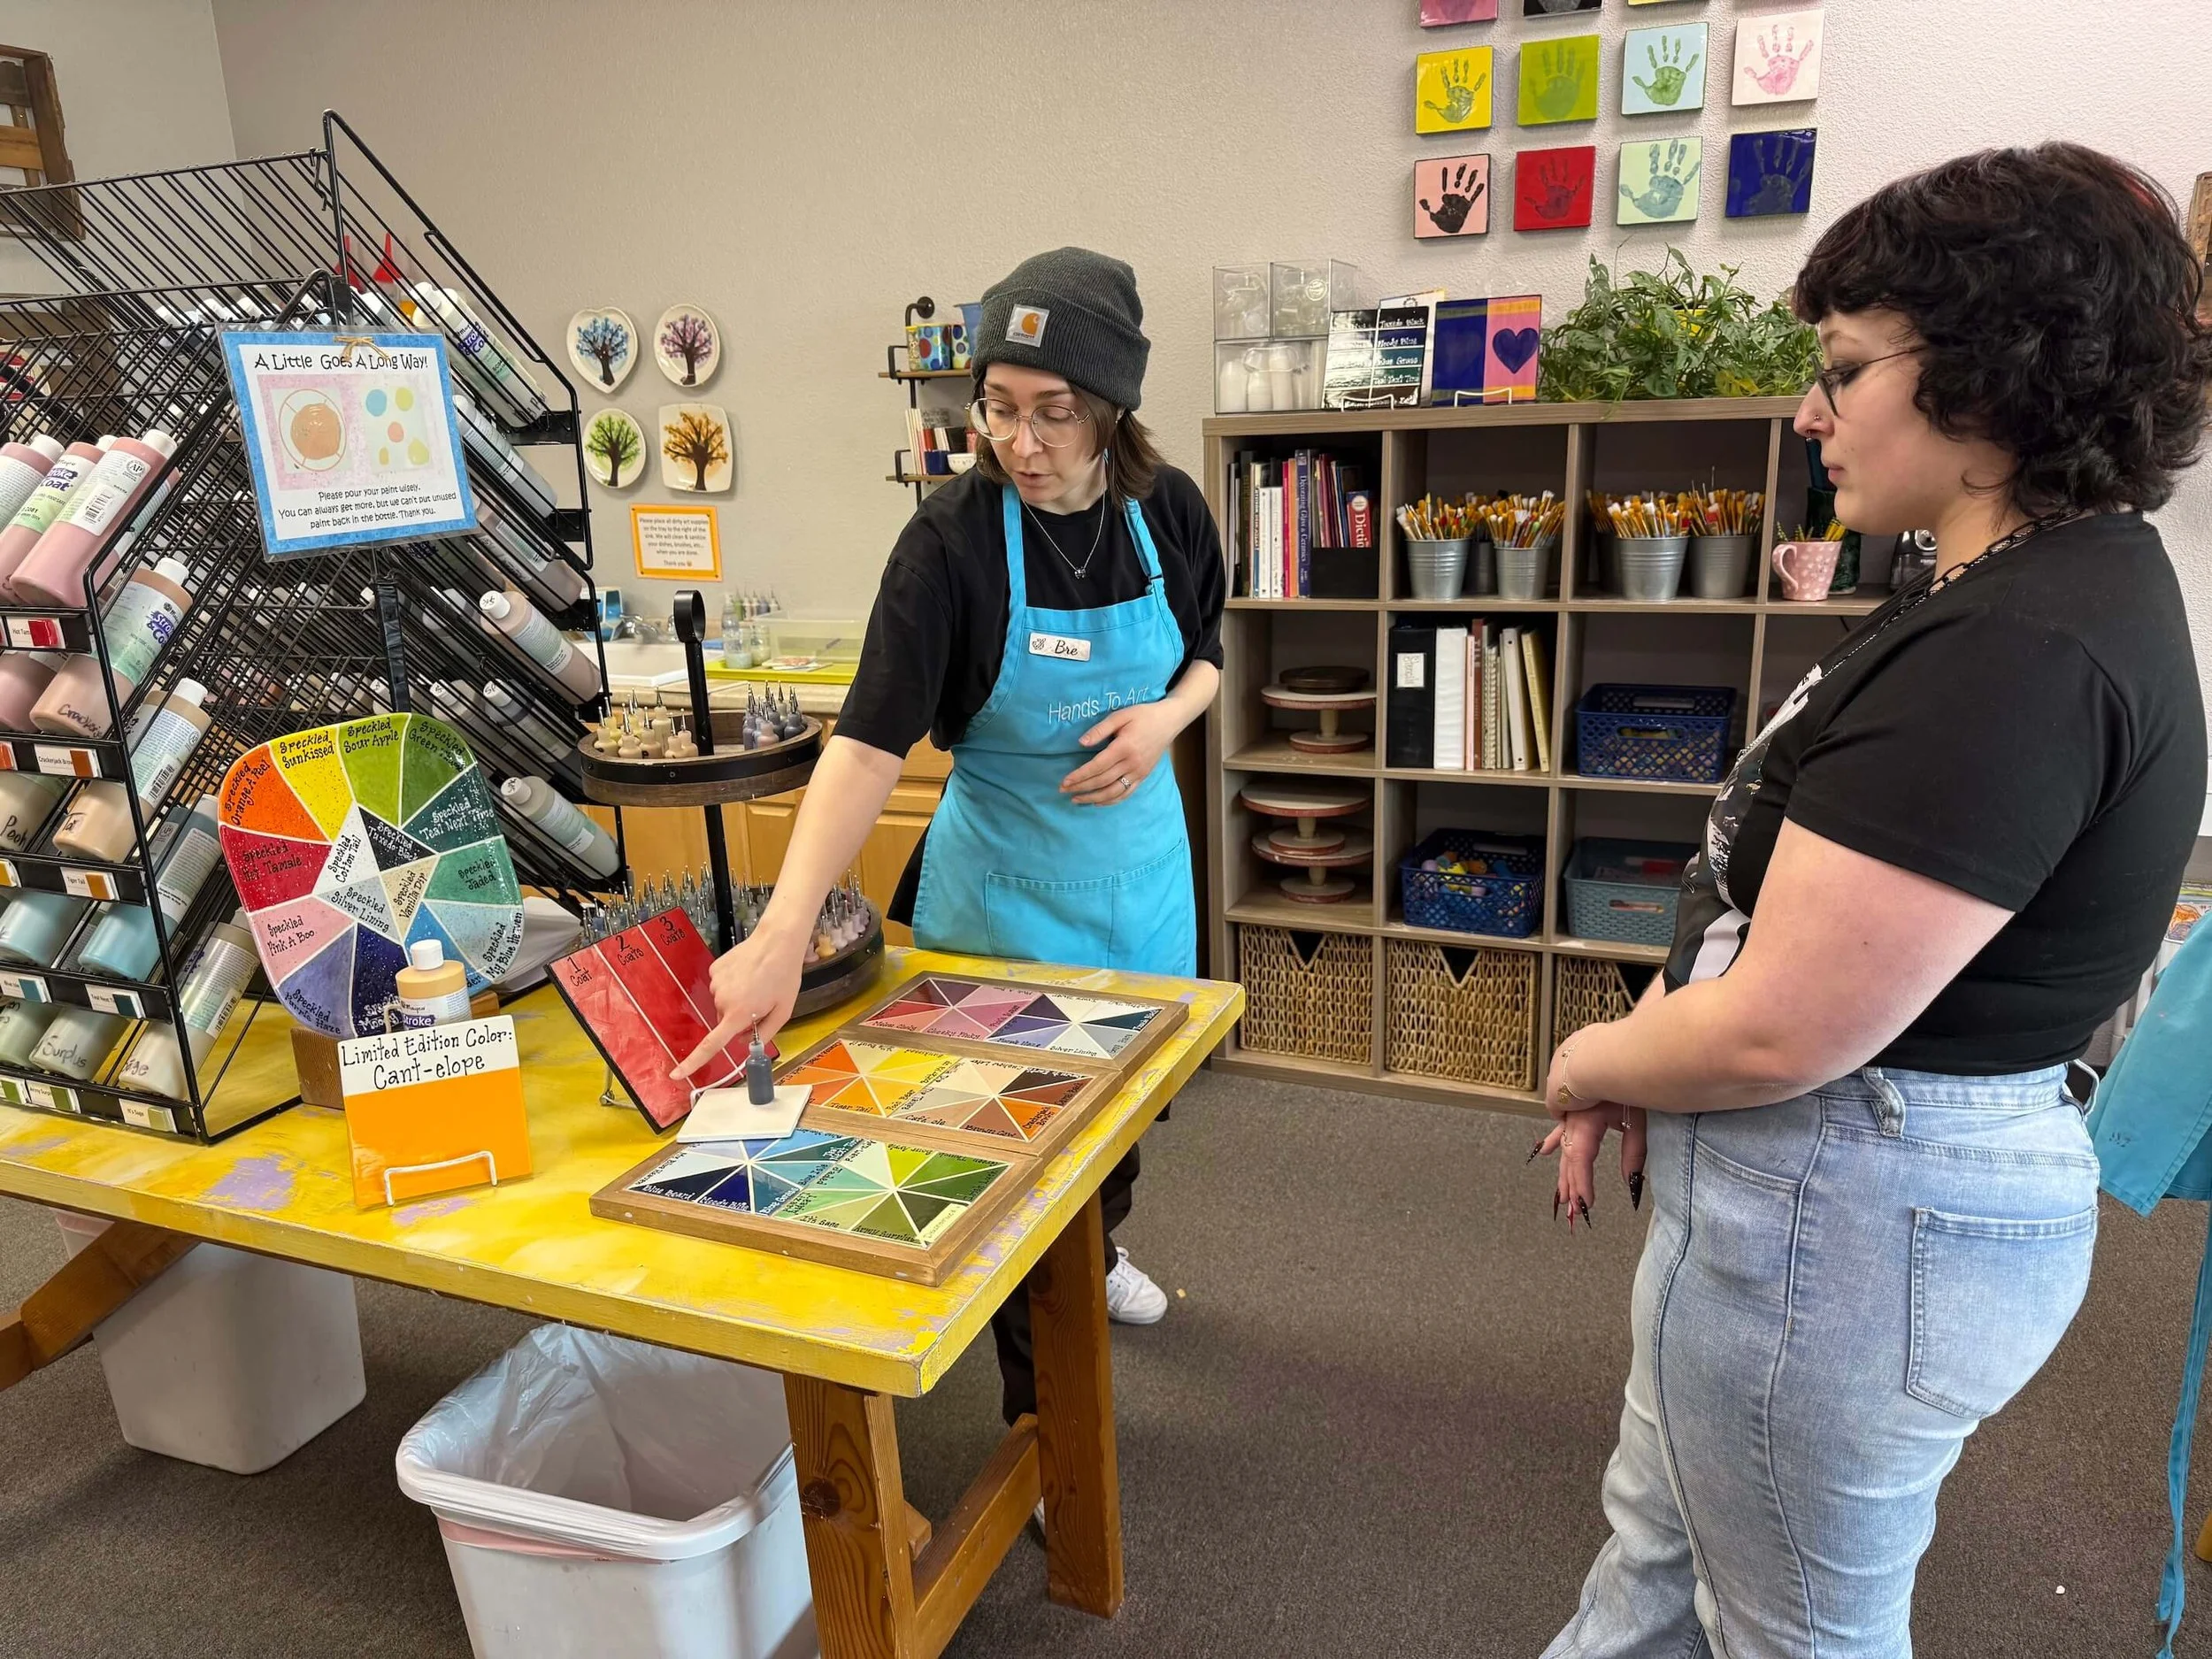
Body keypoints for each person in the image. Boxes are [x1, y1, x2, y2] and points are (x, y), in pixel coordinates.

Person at [1534, 143, 2210, 1657]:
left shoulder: (2021, 653)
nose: (1806, 411)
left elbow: (1781, 1028)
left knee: (1793, 1627)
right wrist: (1665, 1049)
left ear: (1987, 380)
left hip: (1850, 1206)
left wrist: (1589, 1061)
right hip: (1832, 1194)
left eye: (1843, 370)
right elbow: (1765, 911)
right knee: (1662, 1550)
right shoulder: (2028, 588)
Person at [675, 246, 1223, 1425]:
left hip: (1139, 884)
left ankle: (1103, 1239)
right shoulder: (952, 543)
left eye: (1054, 414)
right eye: (1000, 409)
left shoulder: (1169, 509)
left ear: (1112, 408)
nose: (1022, 444)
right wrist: (781, 932)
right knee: (1012, 1165)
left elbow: (1210, 655)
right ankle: (1043, 1426)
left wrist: (1167, 720)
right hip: (1003, 900)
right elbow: (866, 746)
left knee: (1115, 1129)